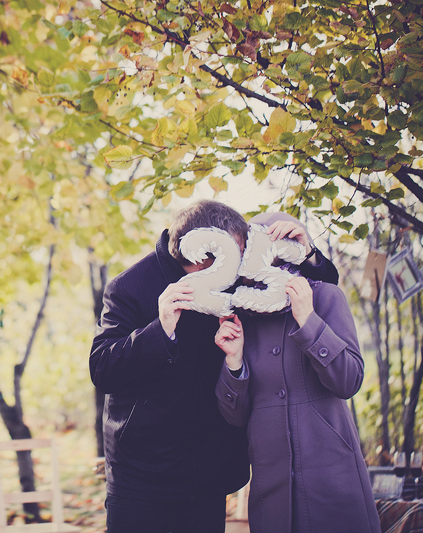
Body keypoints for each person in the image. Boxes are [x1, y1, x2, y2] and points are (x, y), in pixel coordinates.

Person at [90, 201, 339, 533]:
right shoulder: (129, 286)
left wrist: (309, 254)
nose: (239, 264)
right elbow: (103, 369)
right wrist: (160, 329)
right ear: (202, 253)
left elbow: (322, 288)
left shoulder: (234, 281)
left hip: (209, 473)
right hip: (141, 476)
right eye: (233, 254)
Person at [214, 212, 380, 533]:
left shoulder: (326, 297)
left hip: (333, 481)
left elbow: (349, 381)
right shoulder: (239, 316)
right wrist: (234, 362)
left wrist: (309, 322)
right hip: (271, 490)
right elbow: (234, 417)